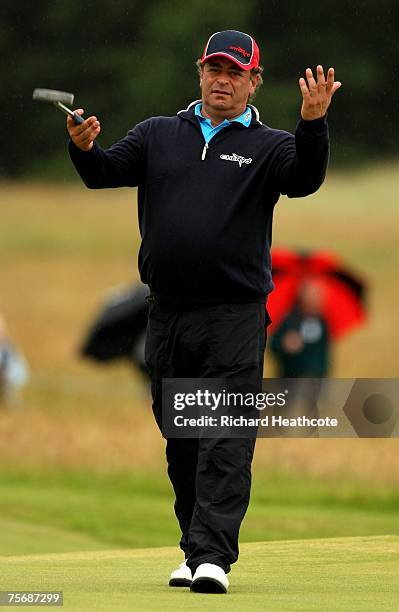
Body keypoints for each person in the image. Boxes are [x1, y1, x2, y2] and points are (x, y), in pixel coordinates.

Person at [67, 30, 341, 593]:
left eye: (235, 72)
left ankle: (215, 555)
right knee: (182, 436)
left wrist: (313, 124)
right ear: (200, 73)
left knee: (226, 433)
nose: (222, 80)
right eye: (214, 69)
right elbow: (103, 173)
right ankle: (194, 549)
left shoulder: (269, 145)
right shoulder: (158, 134)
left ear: (253, 82)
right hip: (167, 314)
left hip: (235, 316)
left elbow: (306, 178)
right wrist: (83, 147)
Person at [270, 280, 330, 377]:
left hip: (315, 382)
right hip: (290, 379)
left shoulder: (323, 322)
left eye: (317, 294)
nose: (314, 298)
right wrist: (285, 344)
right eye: (310, 294)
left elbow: (323, 356)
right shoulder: (289, 319)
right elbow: (274, 345)